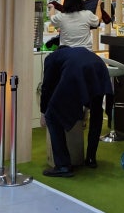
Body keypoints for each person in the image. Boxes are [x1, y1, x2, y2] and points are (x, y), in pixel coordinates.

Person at [39, 45, 113, 176]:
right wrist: (83, 112)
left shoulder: (51, 58)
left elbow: (47, 87)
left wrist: (44, 112)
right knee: (96, 113)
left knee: (52, 117)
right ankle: (91, 159)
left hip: (77, 71)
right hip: (100, 68)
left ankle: (62, 166)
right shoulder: (75, 53)